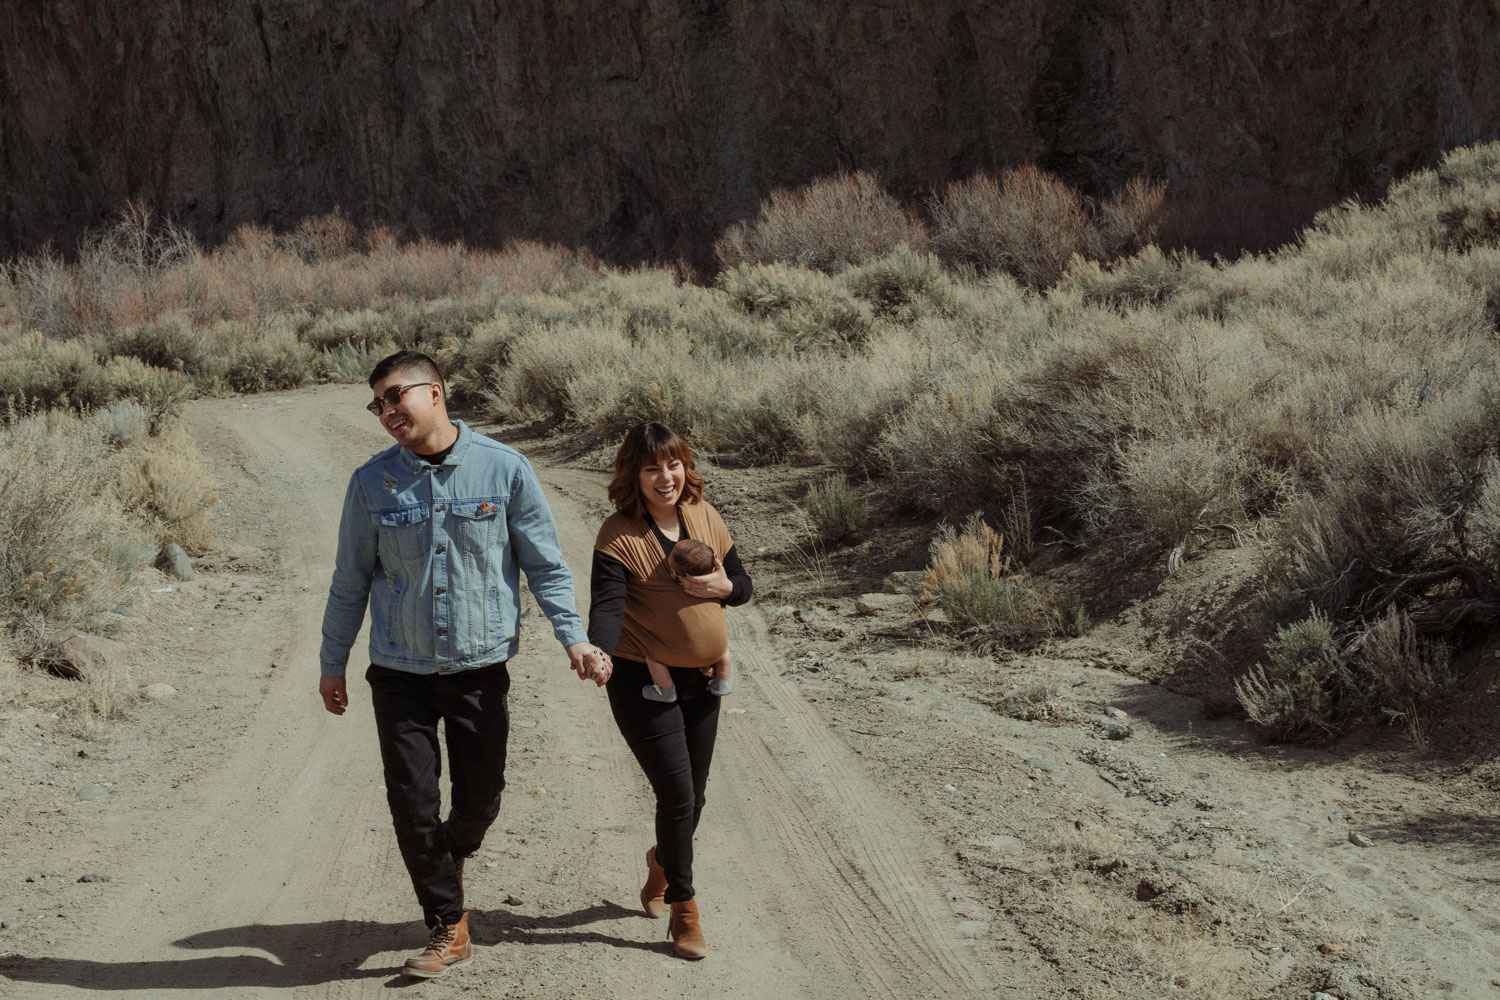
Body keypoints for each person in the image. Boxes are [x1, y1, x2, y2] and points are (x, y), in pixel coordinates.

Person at [318, 350, 611, 980]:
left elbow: (545, 565)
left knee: (478, 801)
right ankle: (447, 924)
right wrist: (332, 661)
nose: (388, 411)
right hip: (399, 670)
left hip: (479, 667)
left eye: (397, 396)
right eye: (378, 404)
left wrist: (575, 638)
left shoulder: (504, 469)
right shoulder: (371, 483)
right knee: (411, 801)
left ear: (436, 392)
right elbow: (349, 580)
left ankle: (448, 856)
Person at [586, 421, 752, 959]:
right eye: (653, 467)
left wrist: (725, 587)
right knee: (677, 794)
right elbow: (608, 604)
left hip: (702, 679)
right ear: (634, 473)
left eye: (674, 464)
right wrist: (598, 651)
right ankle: (685, 910)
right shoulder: (618, 534)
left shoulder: (705, 516)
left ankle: (662, 861)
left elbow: (742, 586)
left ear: (686, 466)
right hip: (640, 679)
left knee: (694, 796)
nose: (666, 477)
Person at [642, 538, 733, 703]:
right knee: (725, 648)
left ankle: (666, 690)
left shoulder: (674, 590)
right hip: (716, 652)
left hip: (677, 656)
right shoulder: (714, 588)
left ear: (675, 573)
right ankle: (722, 681)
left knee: (652, 656)